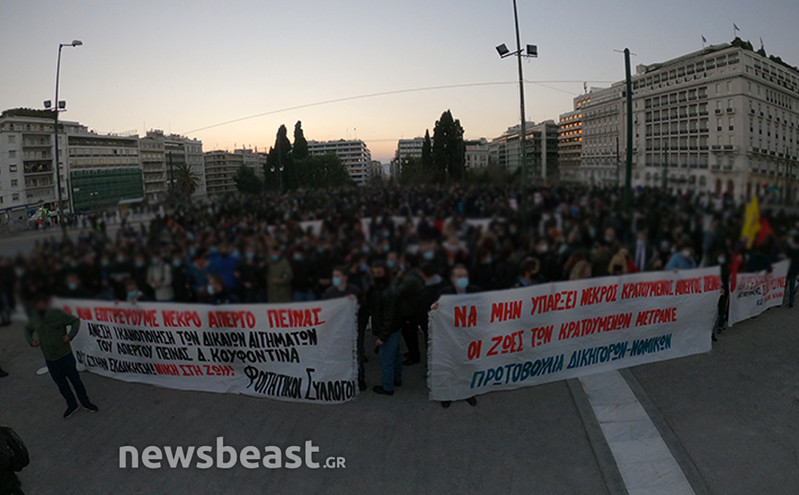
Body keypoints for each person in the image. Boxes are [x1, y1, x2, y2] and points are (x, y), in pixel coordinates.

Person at [24, 292, 98, 418]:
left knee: (76, 381)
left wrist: (70, 336)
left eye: (41, 304)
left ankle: (85, 403)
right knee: (61, 384)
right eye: (37, 305)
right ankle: (72, 404)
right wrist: (31, 341)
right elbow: (28, 329)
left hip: (65, 355)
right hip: (50, 359)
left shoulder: (57, 314)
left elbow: (75, 321)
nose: (39, 307)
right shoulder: (35, 317)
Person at [432, 264, 480, 408]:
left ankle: (467, 392)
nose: (462, 279)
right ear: (452, 278)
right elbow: (435, 312)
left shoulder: (475, 291)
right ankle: (447, 394)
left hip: (468, 336)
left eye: (464, 276)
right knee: (449, 366)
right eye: (459, 276)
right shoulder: (444, 294)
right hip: (450, 337)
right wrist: (434, 308)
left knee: (466, 365)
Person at [323, 265, 366, 391]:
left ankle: (360, 379)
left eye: (338, 276)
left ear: (345, 277)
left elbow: (364, 307)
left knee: (355, 353)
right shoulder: (330, 292)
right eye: (334, 276)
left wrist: (356, 302)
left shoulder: (355, 291)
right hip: (337, 330)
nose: (335, 278)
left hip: (352, 329)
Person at [366, 261, 401, 396]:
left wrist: (382, 337)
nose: (376, 276)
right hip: (394, 328)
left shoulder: (387, 292)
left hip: (388, 330)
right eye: (374, 273)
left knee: (386, 359)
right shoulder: (384, 288)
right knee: (395, 356)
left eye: (379, 273)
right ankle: (396, 379)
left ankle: (387, 387)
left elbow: (388, 317)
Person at [395, 254, 425, 366]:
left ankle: (414, 356)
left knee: (410, 334)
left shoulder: (409, 278)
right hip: (412, 308)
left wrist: (398, 277)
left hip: (409, 310)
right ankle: (413, 352)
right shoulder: (413, 274)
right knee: (411, 334)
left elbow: (395, 291)